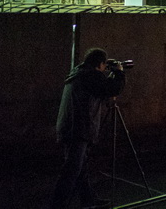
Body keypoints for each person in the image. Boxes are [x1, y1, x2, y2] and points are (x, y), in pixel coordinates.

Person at [50, 48, 126, 209]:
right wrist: (119, 72)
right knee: (71, 171)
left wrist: (108, 73)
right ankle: (57, 205)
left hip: (69, 127)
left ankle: (88, 200)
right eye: (104, 65)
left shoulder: (79, 73)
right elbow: (112, 89)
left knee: (80, 169)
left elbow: (101, 89)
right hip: (79, 129)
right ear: (100, 64)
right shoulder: (91, 76)